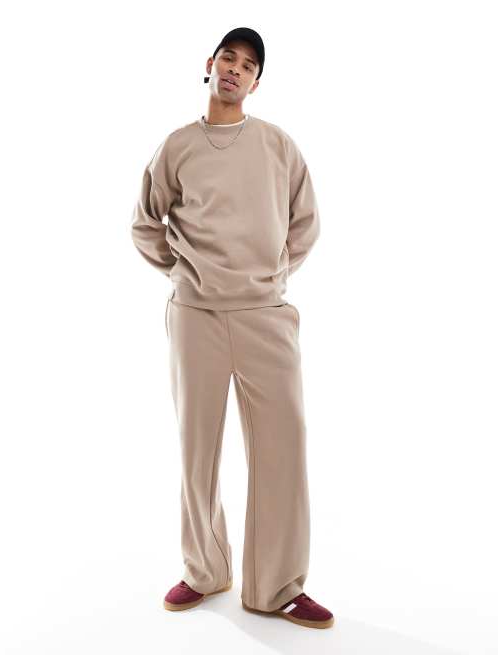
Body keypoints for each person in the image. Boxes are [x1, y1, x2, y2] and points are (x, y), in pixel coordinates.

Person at [130, 27, 334, 630]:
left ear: (256, 82)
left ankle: (277, 586)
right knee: (199, 449)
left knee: (284, 445)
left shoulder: (278, 145)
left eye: (248, 65)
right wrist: (185, 273)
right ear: (210, 64)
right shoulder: (177, 147)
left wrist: (270, 276)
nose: (235, 70)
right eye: (228, 58)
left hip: (265, 315)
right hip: (195, 316)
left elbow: (305, 223)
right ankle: (205, 570)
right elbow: (145, 224)